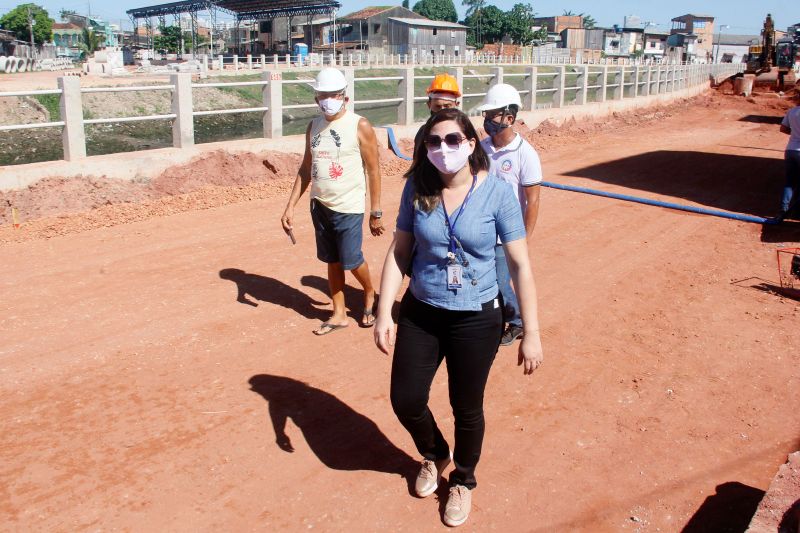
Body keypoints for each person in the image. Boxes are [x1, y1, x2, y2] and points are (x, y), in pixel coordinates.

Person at [373, 108, 544, 527]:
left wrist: (531, 332)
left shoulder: (499, 193)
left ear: (471, 145)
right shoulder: (418, 187)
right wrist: (383, 311)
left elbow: (520, 265)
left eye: (453, 140)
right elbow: (400, 251)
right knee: (406, 398)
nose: (443, 149)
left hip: (477, 317)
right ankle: (435, 454)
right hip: (422, 311)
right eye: (434, 141)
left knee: (466, 406)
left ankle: (463, 480)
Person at [281, 68, 385, 335]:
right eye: (322, 95)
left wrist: (376, 210)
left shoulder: (359, 125)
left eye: (333, 95)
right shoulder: (313, 126)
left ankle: (370, 290)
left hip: (348, 205)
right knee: (332, 259)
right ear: (316, 98)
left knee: (351, 259)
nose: (327, 100)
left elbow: (373, 169)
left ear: (344, 97)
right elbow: (306, 168)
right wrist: (290, 205)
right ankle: (338, 313)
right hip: (320, 204)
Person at [476, 84, 543, 346]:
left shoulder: (525, 155)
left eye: (493, 115)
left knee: (502, 283)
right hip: (482, 228)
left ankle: (516, 323)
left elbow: (533, 200)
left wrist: (524, 239)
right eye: (487, 114)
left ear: (509, 118)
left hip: (507, 234)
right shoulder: (481, 149)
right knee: (482, 279)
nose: (487, 120)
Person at [413, 73, 462, 151]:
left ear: (456, 105)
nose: (442, 111)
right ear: (429, 105)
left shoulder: (464, 130)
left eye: (447, 106)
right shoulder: (423, 133)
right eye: (437, 106)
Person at [778, 93, 800, 221]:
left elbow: (783, 128)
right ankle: (796, 213)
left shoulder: (792, 112)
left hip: (790, 150)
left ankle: (783, 210)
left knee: (790, 183)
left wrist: (795, 134)